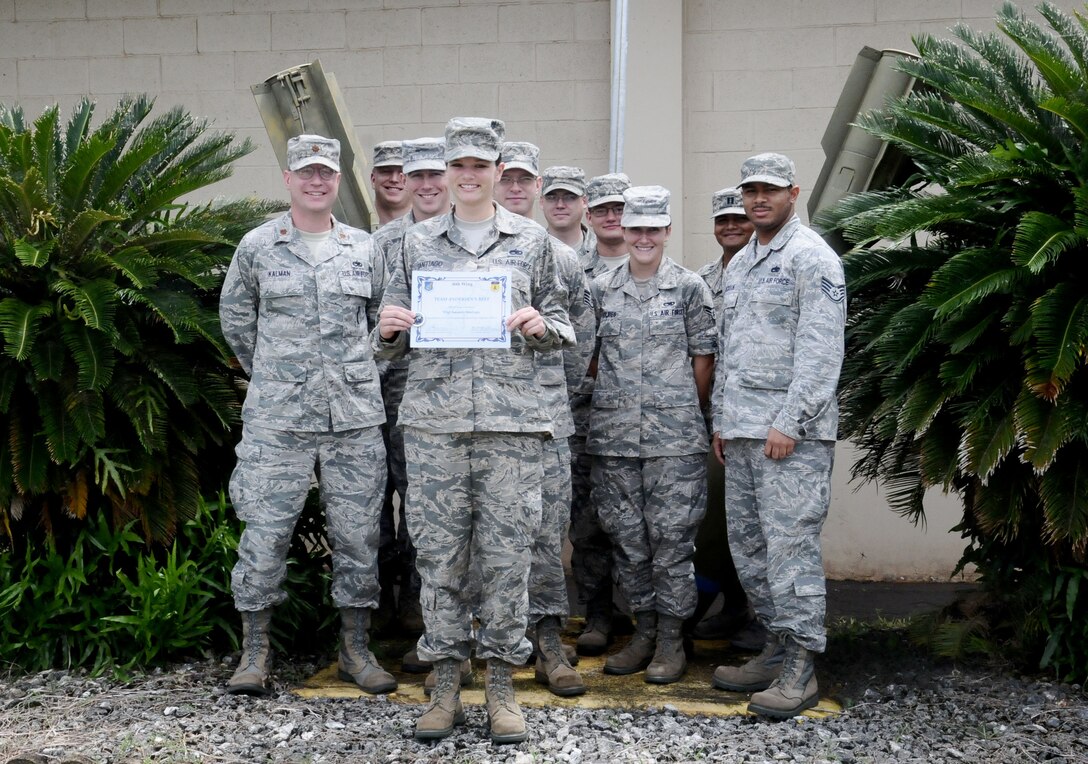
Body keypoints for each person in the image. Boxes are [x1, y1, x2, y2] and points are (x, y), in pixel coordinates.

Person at [372, 117, 574, 744]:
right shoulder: (411, 243)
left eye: (479, 166)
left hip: (514, 428)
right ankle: (444, 685)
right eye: (457, 166)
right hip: (435, 426)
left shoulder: (533, 242)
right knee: (439, 558)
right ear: (445, 172)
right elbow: (384, 342)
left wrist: (542, 327)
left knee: (509, 557)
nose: (466, 176)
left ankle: (503, 687)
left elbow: (568, 324)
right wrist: (387, 331)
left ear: (496, 171)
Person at [219, 134, 396, 697]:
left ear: (338, 181)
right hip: (278, 423)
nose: (317, 181)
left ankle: (355, 649)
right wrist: (276, 373)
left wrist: (359, 363)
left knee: (358, 536)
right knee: (264, 536)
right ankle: (254, 652)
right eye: (306, 173)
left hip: (353, 420)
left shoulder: (365, 249)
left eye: (327, 173)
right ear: (289, 179)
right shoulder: (257, 246)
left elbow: (383, 328)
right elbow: (236, 319)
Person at [710, 153, 846, 718]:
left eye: (769, 190)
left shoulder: (812, 258)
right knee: (751, 548)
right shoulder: (743, 262)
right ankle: (775, 646)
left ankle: (801, 667)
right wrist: (720, 419)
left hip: (789, 437)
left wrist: (790, 422)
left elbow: (821, 352)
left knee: (790, 548)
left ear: (793, 192)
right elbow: (728, 349)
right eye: (750, 191)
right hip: (741, 433)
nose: (757, 200)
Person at [587, 185, 716, 684]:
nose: (643, 237)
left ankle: (670, 640)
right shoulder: (600, 289)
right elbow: (592, 359)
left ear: (666, 232)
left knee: (672, 542)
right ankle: (643, 630)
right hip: (615, 440)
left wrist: (683, 408)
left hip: (674, 441)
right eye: (635, 228)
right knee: (627, 541)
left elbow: (703, 359)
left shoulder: (688, 287)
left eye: (652, 229)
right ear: (625, 230)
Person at [495, 145, 595, 697]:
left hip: (544, 420)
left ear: (537, 188)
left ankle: (548, 643)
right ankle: (477, 642)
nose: (514, 189)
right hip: (481, 419)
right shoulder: (466, 254)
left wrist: (558, 393)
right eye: (505, 179)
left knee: (545, 533)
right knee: (477, 537)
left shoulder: (558, 257)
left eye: (523, 181)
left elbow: (581, 332)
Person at [370, 138, 450, 654]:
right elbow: (364, 319)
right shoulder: (381, 244)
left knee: (428, 505)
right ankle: (379, 606)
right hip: (386, 394)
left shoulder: (464, 239)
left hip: (441, 395)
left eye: (430, 176)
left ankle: (421, 607)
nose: (422, 185)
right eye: (411, 177)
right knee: (379, 503)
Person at [690, 188, 764, 648]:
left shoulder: (771, 271)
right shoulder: (699, 281)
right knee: (717, 517)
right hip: (708, 416)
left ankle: (761, 616)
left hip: (755, 415)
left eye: (739, 218)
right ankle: (734, 606)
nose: (732, 226)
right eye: (723, 221)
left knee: (756, 518)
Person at [569, 172, 633, 656]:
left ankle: (646, 614)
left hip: (640, 420)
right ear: (590, 215)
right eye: (604, 210)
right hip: (582, 413)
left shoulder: (661, 270)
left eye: (622, 209)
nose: (613, 218)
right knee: (587, 520)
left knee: (639, 521)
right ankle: (596, 612)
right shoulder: (572, 267)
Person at [540, 165, 595, 259]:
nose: (560, 205)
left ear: (584, 201)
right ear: (541, 202)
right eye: (552, 198)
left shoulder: (602, 250)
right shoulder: (530, 251)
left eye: (569, 197)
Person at [493, 141, 542, 218]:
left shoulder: (541, 230)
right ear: (493, 184)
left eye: (525, 179)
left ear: (538, 185)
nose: (515, 189)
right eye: (505, 179)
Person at [370, 140, 410, 226]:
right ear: (373, 179)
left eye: (403, 173)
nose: (394, 179)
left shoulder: (432, 232)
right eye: (386, 171)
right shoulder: (349, 234)